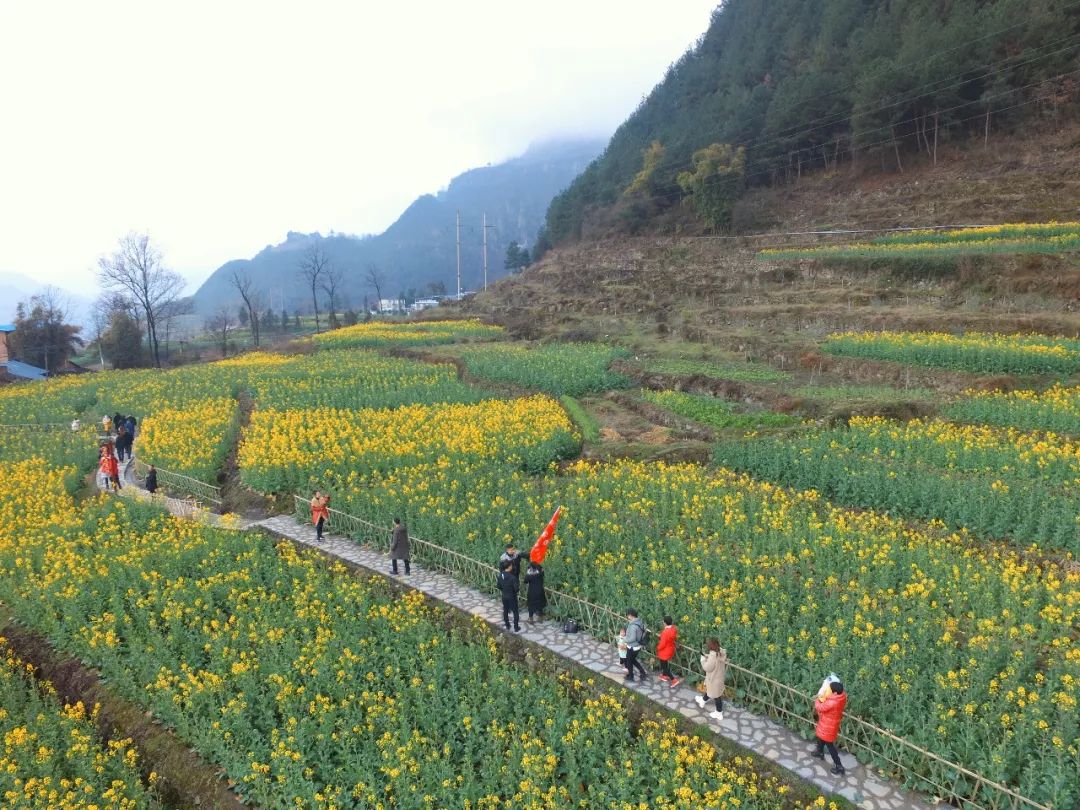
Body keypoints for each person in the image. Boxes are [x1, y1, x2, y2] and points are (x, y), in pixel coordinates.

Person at [812, 679, 847, 776]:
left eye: (830, 690)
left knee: (830, 746)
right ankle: (819, 751)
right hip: (830, 724)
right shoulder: (842, 696)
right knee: (821, 737)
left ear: (835, 692)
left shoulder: (832, 702)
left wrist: (818, 700)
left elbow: (820, 707)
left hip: (828, 726)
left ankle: (839, 766)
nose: (829, 691)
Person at [694, 639, 727, 722]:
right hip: (718, 678)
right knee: (711, 691)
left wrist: (703, 659)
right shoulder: (720, 652)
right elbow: (716, 661)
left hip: (713, 679)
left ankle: (719, 712)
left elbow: (707, 667)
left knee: (717, 696)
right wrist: (708, 656)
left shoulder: (713, 656)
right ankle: (703, 700)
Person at [623, 609, 648, 681]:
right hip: (637, 646)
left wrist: (624, 640)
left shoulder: (633, 625)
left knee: (629, 661)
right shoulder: (639, 622)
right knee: (633, 660)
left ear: (630, 615)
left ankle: (631, 676)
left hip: (632, 647)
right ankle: (642, 672)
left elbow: (633, 638)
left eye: (627, 615)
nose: (627, 617)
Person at [656, 616, 680, 686]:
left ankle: (673, 680)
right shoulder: (673, 629)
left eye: (663, 622)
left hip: (664, 651)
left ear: (665, 623)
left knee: (664, 666)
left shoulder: (665, 632)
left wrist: (658, 648)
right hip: (670, 649)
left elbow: (662, 644)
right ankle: (664, 675)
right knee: (665, 663)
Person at [497, 562, 520, 632]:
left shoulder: (500, 575)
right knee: (515, 611)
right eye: (511, 566)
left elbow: (498, 586)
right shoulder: (512, 577)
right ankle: (516, 627)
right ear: (509, 567)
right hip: (512, 597)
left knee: (505, 611)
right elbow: (516, 589)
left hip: (504, 596)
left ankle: (507, 625)